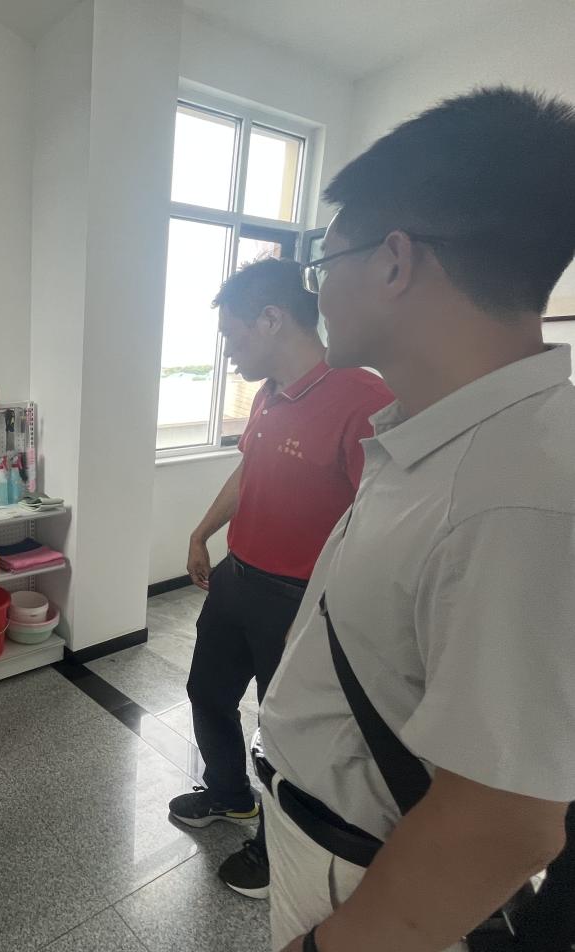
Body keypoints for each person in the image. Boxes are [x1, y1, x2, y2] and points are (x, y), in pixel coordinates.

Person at [258, 86, 575, 952]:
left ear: (393, 262)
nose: (318, 292)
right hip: (335, 842)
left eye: (325, 264)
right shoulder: (447, 436)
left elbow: (505, 820)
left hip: (367, 882)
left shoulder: (515, 494)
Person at [168, 258, 392, 900]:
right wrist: (202, 532)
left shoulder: (363, 399)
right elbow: (249, 471)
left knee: (285, 731)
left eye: (232, 336)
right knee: (207, 693)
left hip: (299, 599)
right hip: (238, 578)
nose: (228, 351)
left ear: (271, 319)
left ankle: (275, 852)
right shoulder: (268, 393)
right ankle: (229, 794)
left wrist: (336, 609)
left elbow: (379, 519)